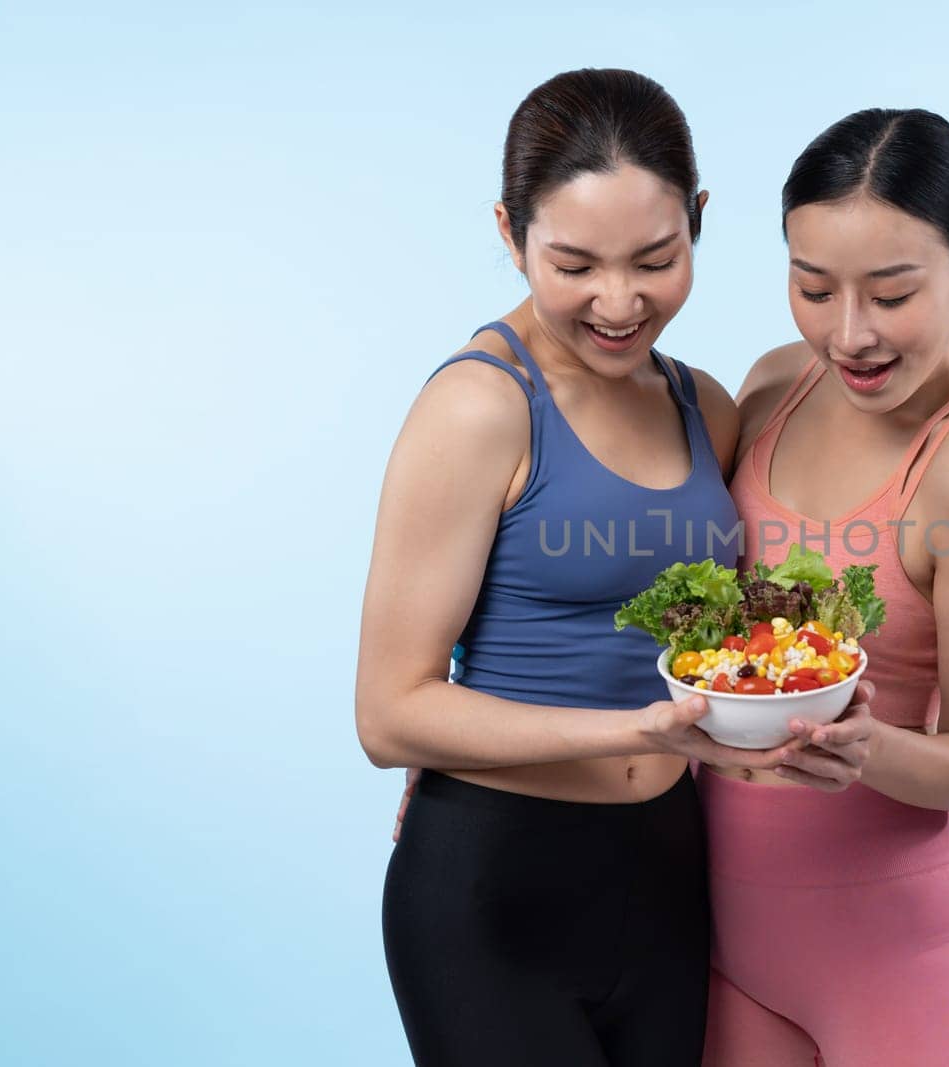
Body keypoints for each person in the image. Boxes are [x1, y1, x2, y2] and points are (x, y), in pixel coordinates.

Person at [354, 68, 866, 1067]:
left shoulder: (702, 406)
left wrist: (909, 751)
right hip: (496, 887)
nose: (620, 302)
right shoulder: (481, 407)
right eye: (574, 263)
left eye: (656, 258)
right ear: (510, 233)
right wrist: (632, 725)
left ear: (699, 224)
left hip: (670, 875)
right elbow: (388, 713)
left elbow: (765, 611)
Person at [699, 109, 949, 1066]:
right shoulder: (774, 387)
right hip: (720, 939)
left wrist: (870, 749)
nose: (847, 335)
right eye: (814, 288)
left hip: (887, 953)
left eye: (891, 295)